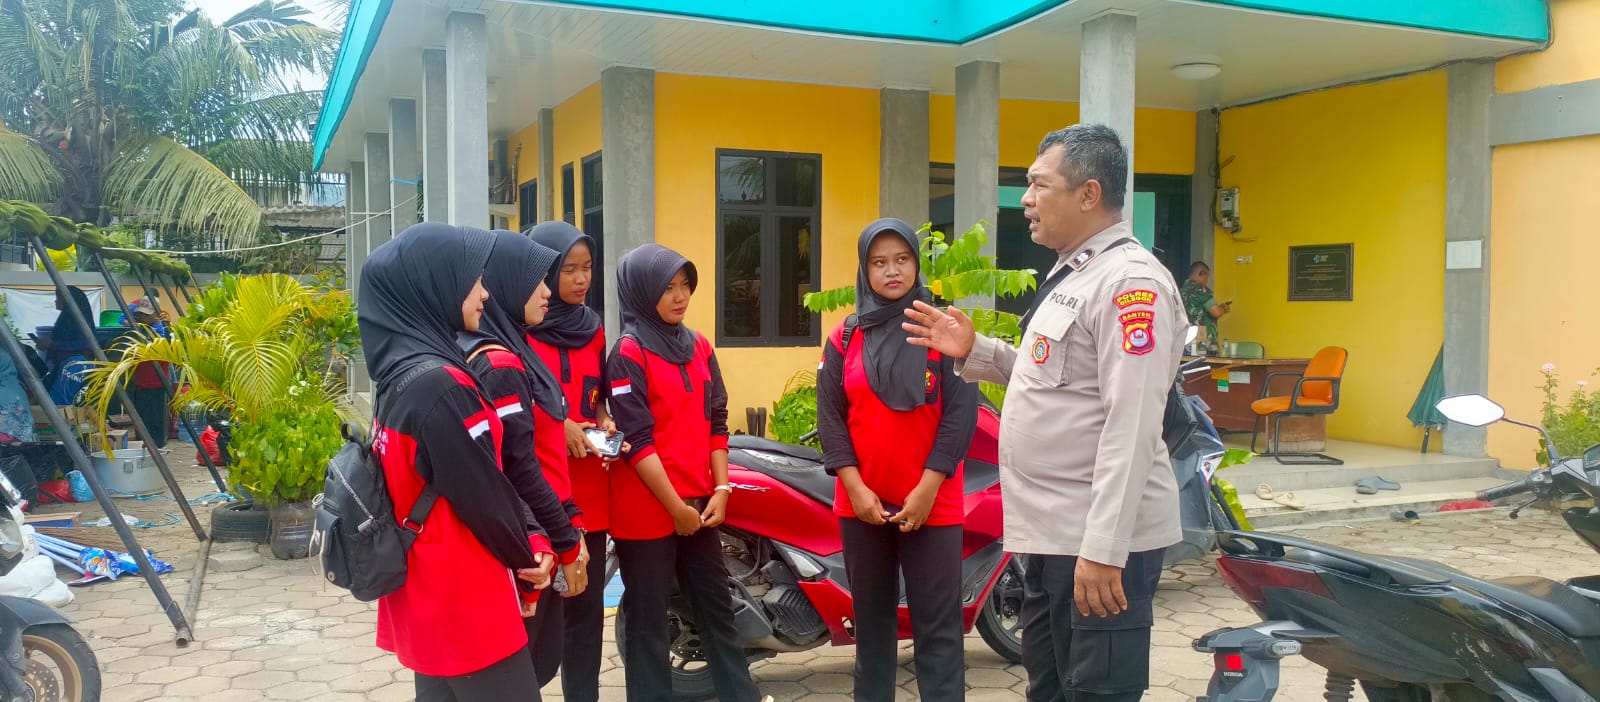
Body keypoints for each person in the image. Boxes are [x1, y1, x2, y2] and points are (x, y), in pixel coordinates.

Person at [903, 123, 1183, 701]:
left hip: (1096, 543)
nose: (1026, 199)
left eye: (1039, 184)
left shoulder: (1130, 284)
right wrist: (977, 350)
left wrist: (1104, 550)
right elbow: (1060, 382)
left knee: (1095, 693)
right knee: (1049, 688)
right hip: (1052, 535)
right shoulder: (1076, 272)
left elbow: (1131, 426)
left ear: (1088, 194)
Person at [358, 222, 558, 701]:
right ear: (435, 285)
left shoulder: (399, 375)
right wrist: (529, 560)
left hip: (425, 592)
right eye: (473, 280)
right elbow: (485, 494)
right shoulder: (442, 385)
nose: (484, 293)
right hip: (466, 601)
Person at [816, 219, 977, 702]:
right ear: (864, 270)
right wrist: (856, 489)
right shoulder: (845, 337)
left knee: (939, 630)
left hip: (933, 503)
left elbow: (960, 417)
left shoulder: (942, 330)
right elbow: (831, 418)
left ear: (915, 264)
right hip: (862, 505)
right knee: (872, 630)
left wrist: (927, 488)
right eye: (879, 262)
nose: (892, 271)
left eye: (902, 259)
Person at [605, 244, 772, 702]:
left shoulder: (698, 345)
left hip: (698, 507)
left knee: (718, 611)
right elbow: (637, 441)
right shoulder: (628, 353)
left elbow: (717, 420)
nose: (680, 297)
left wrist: (721, 488)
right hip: (646, 512)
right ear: (643, 292)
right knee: (648, 624)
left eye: (685, 286)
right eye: (668, 288)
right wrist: (675, 507)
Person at [454, 229, 590, 695]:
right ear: (508, 285)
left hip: (539, 531)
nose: (548, 291)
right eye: (537, 281)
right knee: (524, 671)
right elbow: (519, 470)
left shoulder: (514, 350)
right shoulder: (501, 365)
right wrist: (564, 539)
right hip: (531, 544)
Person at [526, 221, 619, 702]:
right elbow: (513, 402)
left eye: (587, 268)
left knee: (585, 613)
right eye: (569, 270)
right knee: (540, 616)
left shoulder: (593, 327)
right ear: (544, 271)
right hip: (542, 492)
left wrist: (603, 420)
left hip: (589, 488)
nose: (582, 279)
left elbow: (597, 392)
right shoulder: (522, 327)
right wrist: (556, 425)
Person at [1181, 261, 1228, 351]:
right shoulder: (1200, 289)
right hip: (1202, 338)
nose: (1207, 280)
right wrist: (1224, 308)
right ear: (1201, 274)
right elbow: (1216, 312)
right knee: (1206, 359)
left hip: (1186, 337)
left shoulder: (1181, 290)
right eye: (1207, 277)